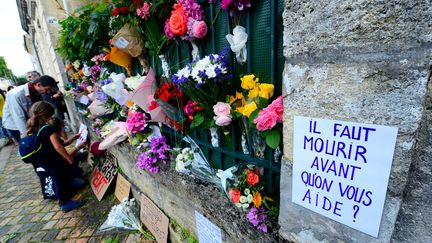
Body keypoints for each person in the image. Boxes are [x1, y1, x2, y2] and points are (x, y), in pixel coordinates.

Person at [27, 101, 86, 212]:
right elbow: (58, 147)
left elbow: (60, 144)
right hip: (52, 161)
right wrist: (69, 158)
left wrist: (73, 138)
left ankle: (65, 193)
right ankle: (64, 202)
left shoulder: (37, 129)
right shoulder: (49, 129)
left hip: (43, 161)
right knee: (59, 179)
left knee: (57, 178)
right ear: (48, 115)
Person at [2, 75, 56, 143]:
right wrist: (28, 137)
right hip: (15, 125)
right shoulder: (17, 94)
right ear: (38, 85)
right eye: (47, 89)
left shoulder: (37, 92)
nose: (48, 92)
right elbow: (19, 118)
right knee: (30, 146)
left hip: (29, 122)